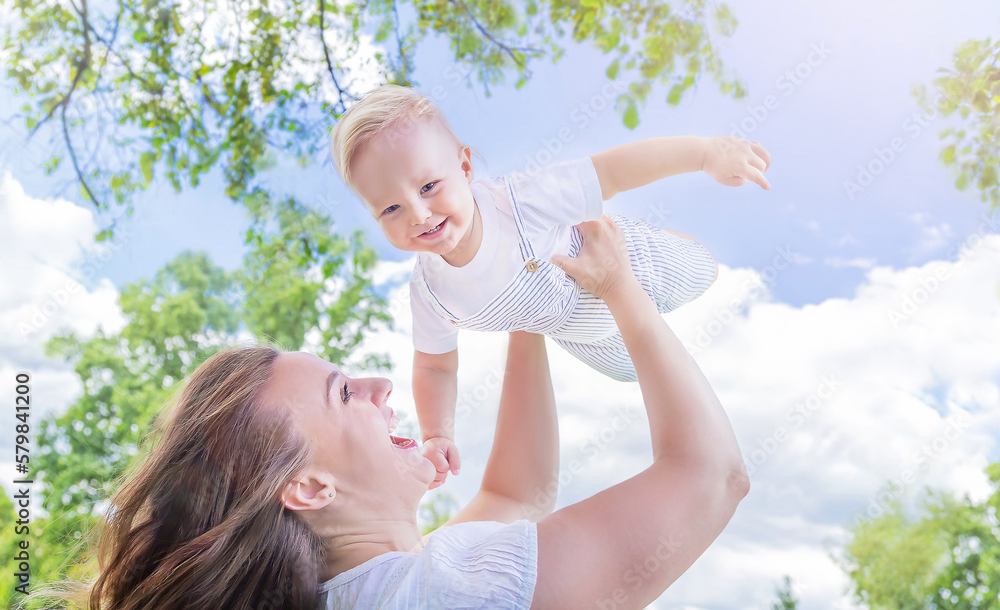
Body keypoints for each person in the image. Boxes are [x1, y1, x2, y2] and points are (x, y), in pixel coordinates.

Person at [53, 216, 749, 610]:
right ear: (310, 488)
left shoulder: (369, 592)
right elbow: (712, 476)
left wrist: (523, 309)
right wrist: (620, 286)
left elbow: (517, 495)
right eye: (343, 392)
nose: (380, 382)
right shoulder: (444, 588)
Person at [329, 84, 771, 489]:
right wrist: (437, 432)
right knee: (633, 370)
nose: (419, 214)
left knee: (699, 272)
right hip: (580, 331)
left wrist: (704, 153)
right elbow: (434, 366)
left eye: (428, 186)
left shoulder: (518, 203)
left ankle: (682, 245)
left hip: (631, 261)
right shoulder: (431, 291)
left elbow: (613, 172)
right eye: (390, 208)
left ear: (464, 166)